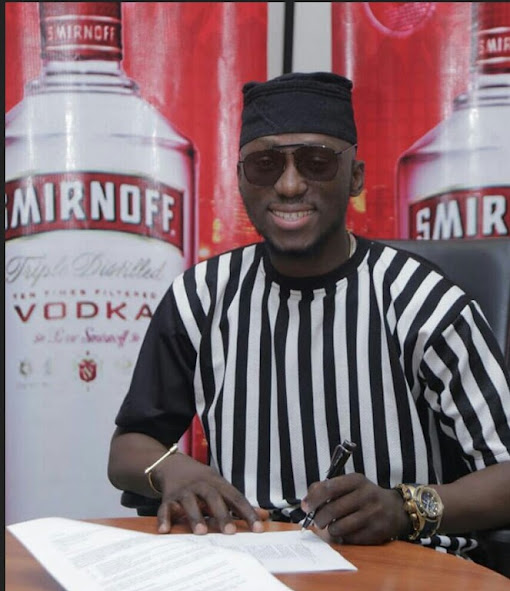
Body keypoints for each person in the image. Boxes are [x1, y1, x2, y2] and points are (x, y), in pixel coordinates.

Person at [108, 71, 510, 559]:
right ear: (240, 179)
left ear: (355, 177)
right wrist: (173, 469)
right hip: (250, 563)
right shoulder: (201, 297)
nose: (290, 184)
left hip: (401, 567)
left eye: (317, 163)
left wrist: (404, 507)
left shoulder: (424, 302)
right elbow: (129, 446)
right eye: (265, 165)